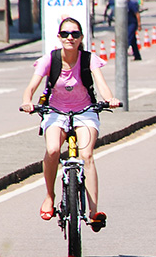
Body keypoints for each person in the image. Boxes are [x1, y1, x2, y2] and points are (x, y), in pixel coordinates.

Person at [20, 17, 121, 230]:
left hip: (84, 111)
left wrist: (110, 99)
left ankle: (94, 212)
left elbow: (102, 85)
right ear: (59, 37)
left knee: (87, 155)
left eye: (75, 34)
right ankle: (49, 196)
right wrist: (27, 102)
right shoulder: (51, 59)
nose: (70, 38)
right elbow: (31, 88)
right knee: (53, 149)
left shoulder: (88, 59)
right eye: (65, 34)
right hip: (56, 112)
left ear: (81, 37)